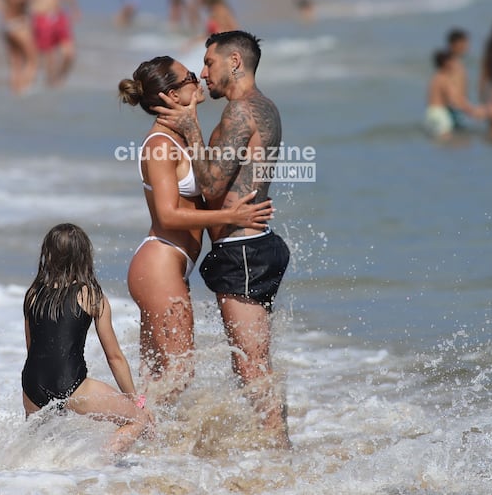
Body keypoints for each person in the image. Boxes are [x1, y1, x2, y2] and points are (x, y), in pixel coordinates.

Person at [153, 31, 292, 448]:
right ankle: (277, 444)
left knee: (250, 367)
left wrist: (190, 128)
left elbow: (213, 186)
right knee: (256, 364)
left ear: (235, 61)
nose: (203, 72)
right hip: (253, 243)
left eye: (209, 62)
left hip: (241, 249)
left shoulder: (240, 112)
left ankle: (278, 454)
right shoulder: (262, 107)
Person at [118, 56, 274, 405]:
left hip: (171, 266)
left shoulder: (182, 138)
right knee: (179, 373)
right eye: (190, 75)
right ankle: (118, 441)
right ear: (173, 95)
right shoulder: (159, 145)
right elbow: (169, 215)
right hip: (158, 264)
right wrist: (235, 214)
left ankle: (141, 449)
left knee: (157, 378)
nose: (198, 78)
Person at [22, 223, 153, 454]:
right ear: (84, 255)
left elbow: (31, 349)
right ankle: (96, 467)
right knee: (138, 420)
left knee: (37, 447)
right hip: (71, 383)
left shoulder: (33, 294)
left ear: (48, 254)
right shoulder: (91, 294)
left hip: (32, 384)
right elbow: (114, 357)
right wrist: (135, 400)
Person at [424, 50, 484, 140]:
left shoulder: (435, 78)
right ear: (446, 63)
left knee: (436, 143)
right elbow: (455, 99)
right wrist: (473, 111)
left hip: (430, 113)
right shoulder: (445, 79)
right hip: (440, 114)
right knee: (448, 143)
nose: (454, 64)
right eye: (452, 61)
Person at [29, 0, 79, 87]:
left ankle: (59, 78)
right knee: (49, 57)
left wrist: (74, 8)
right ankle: (51, 85)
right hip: (41, 18)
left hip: (58, 17)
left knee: (70, 54)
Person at [445, 28, 470, 129]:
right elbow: (452, 92)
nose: (467, 47)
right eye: (463, 43)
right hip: (454, 109)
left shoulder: (453, 63)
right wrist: (470, 109)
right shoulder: (452, 65)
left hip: (456, 108)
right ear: (454, 44)